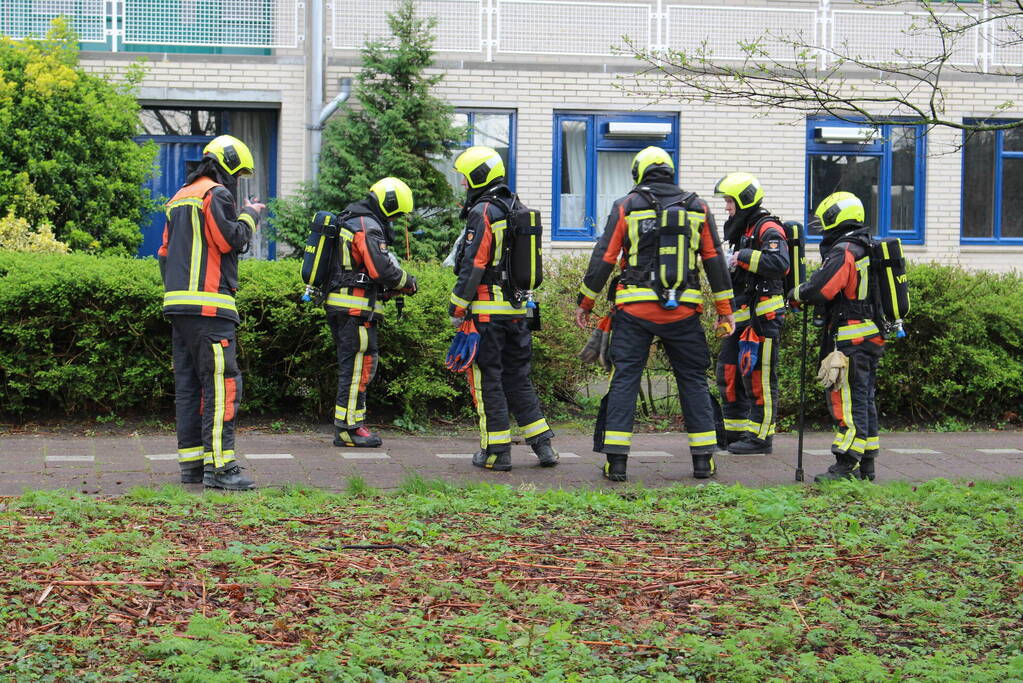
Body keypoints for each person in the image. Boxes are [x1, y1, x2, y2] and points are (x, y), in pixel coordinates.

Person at [575, 146, 734, 482]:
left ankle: (616, 463)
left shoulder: (626, 206)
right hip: (684, 312)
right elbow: (714, 260)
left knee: (625, 379)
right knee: (693, 380)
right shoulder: (698, 207)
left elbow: (605, 256)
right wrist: (725, 311)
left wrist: (585, 302)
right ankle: (703, 461)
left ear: (638, 173)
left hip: (634, 310)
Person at [159, 134, 264, 490]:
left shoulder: (179, 197)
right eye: (239, 173)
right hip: (211, 308)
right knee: (222, 385)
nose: (237, 180)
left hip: (179, 308)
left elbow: (163, 254)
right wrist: (250, 216)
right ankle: (221, 468)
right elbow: (230, 239)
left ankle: (193, 466)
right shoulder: (215, 194)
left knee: (189, 388)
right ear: (229, 165)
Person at [449, 146, 559, 471]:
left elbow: (474, 262)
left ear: (478, 176)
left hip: (487, 313)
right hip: (518, 311)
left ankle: (496, 453)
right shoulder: (517, 207)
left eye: (466, 177)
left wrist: (457, 306)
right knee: (518, 378)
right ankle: (543, 446)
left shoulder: (484, 210)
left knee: (489, 381)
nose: (464, 184)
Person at [790, 191, 884, 482]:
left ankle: (846, 465)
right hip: (869, 335)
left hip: (851, 340)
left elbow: (822, 288)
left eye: (825, 221)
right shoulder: (866, 246)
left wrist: (797, 293)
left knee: (849, 401)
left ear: (837, 218)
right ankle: (866, 465)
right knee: (864, 400)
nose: (823, 227)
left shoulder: (845, 250)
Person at [325, 177, 418, 448]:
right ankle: (349, 429)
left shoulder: (353, 218)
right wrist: (409, 283)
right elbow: (382, 270)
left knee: (357, 367)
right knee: (357, 368)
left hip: (347, 306)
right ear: (390, 204)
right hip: (355, 310)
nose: (395, 219)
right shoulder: (366, 226)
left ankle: (352, 424)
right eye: (397, 213)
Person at [713, 172, 790, 454]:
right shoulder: (744, 230)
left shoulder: (768, 228)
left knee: (760, 378)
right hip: (742, 316)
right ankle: (734, 433)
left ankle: (760, 437)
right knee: (729, 372)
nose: (726, 207)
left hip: (763, 319)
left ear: (744, 200)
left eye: (729, 201)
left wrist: (742, 257)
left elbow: (779, 263)